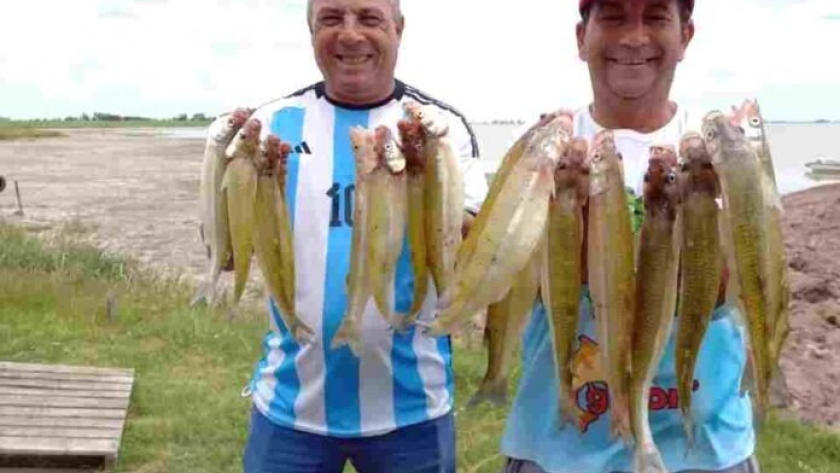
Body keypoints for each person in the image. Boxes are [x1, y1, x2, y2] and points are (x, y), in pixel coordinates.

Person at [211, 0, 488, 472]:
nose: (350, 34)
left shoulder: (440, 130)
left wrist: (427, 181)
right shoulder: (273, 125)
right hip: (289, 409)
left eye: (369, 18)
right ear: (310, 30)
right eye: (332, 19)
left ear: (399, 30)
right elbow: (230, 253)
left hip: (413, 410)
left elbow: (470, 247)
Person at [498, 1, 761, 472]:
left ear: (686, 36)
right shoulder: (547, 143)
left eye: (656, 16)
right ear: (582, 37)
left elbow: (731, 291)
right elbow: (503, 271)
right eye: (614, 16)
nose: (634, 37)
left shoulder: (722, 149)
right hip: (557, 450)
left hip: (704, 452)